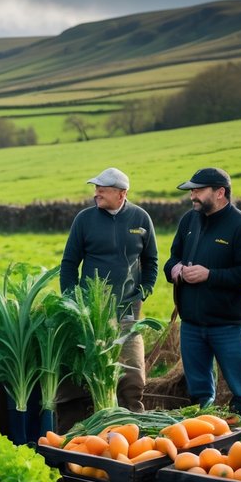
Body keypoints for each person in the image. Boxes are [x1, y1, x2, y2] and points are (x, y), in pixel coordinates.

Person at [59, 167, 158, 423]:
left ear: (121, 193)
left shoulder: (140, 218)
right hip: (92, 310)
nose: (97, 193)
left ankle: (134, 423)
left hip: (127, 309)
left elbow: (151, 259)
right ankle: (91, 424)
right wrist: (73, 299)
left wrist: (145, 288)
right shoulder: (84, 219)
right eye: (96, 189)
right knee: (94, 371)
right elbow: (69, 263)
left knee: (132, 372)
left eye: (103, 190)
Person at [164, 167, 241, 420]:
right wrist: (174, 268)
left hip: (226, 326)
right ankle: (205, 439)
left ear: (220, 192)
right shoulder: (189, 221)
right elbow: (172, 258)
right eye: (191, 191)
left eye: (198, 190)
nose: (192, 196)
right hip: (191, 325)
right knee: (198, 396)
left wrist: (210, 275)